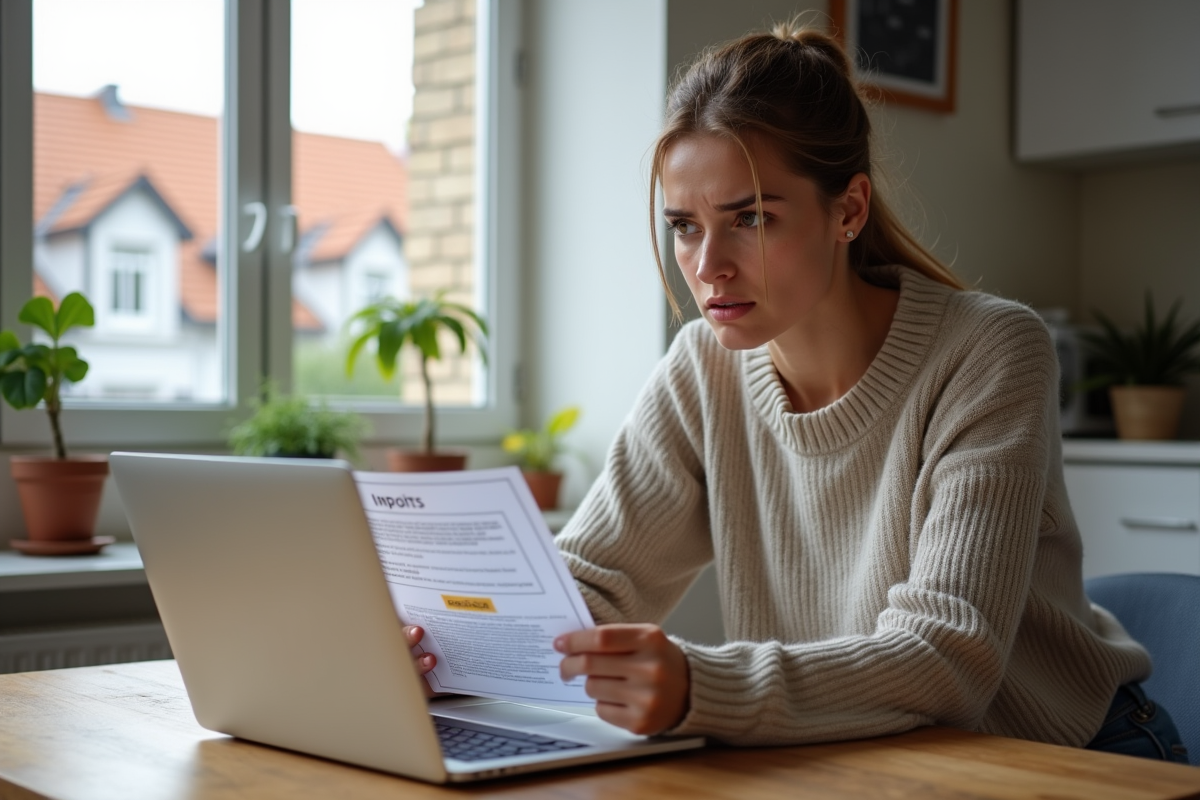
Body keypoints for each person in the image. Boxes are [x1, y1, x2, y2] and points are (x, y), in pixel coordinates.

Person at [409, 21, 1187, 762]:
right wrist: (443, 649)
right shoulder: (701, 368)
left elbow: (947, 657)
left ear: (846, 209)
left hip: (1065, 756)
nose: (708, 263)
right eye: (684, 225)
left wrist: (698, 685)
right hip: (862, 757)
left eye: (749, 218)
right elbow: (591, 585)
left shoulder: (989, 352)